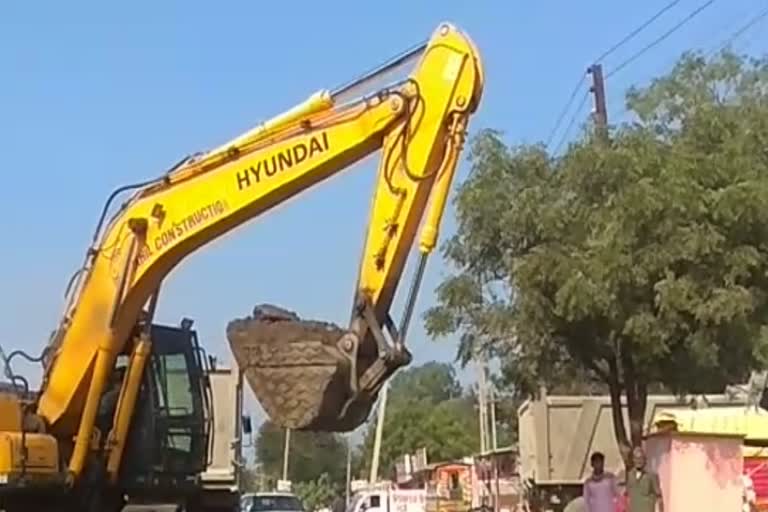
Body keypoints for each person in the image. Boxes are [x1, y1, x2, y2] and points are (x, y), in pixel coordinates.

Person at [625, 446, 663, 512]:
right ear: (633, 460)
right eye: (636, 458)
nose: (638, 461)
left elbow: (659, 498)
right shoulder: (630, 475)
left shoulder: (652, 475)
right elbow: (628, 495)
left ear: (645, 460)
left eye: (641, 458)